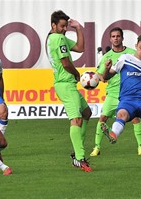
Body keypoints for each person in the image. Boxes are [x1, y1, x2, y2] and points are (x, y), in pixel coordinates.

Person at [46, 10, 92, 172]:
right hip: (66, 83)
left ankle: (77, 150)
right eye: (62, 26)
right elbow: (65, 63)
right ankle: (79, 158)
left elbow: (80, 48)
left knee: (86, 113)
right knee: (76, 120)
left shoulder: (56, 37)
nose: (65, 28)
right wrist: (77, 74)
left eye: (66, 26)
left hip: (65, 84)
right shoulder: (58, 39)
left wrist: (78, 28)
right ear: (53, 25)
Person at [90, 27, 141, 157]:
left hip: (129, 93)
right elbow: (102, 78)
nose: (116, 38)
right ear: (110, 39)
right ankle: (97, 147)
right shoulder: (106, 57)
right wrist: (104, 71)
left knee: (135, 119)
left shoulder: (132, 53)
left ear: (122, 38)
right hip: (113, 94)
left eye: (118, 36)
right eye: (113, 36)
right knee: (102, 118)